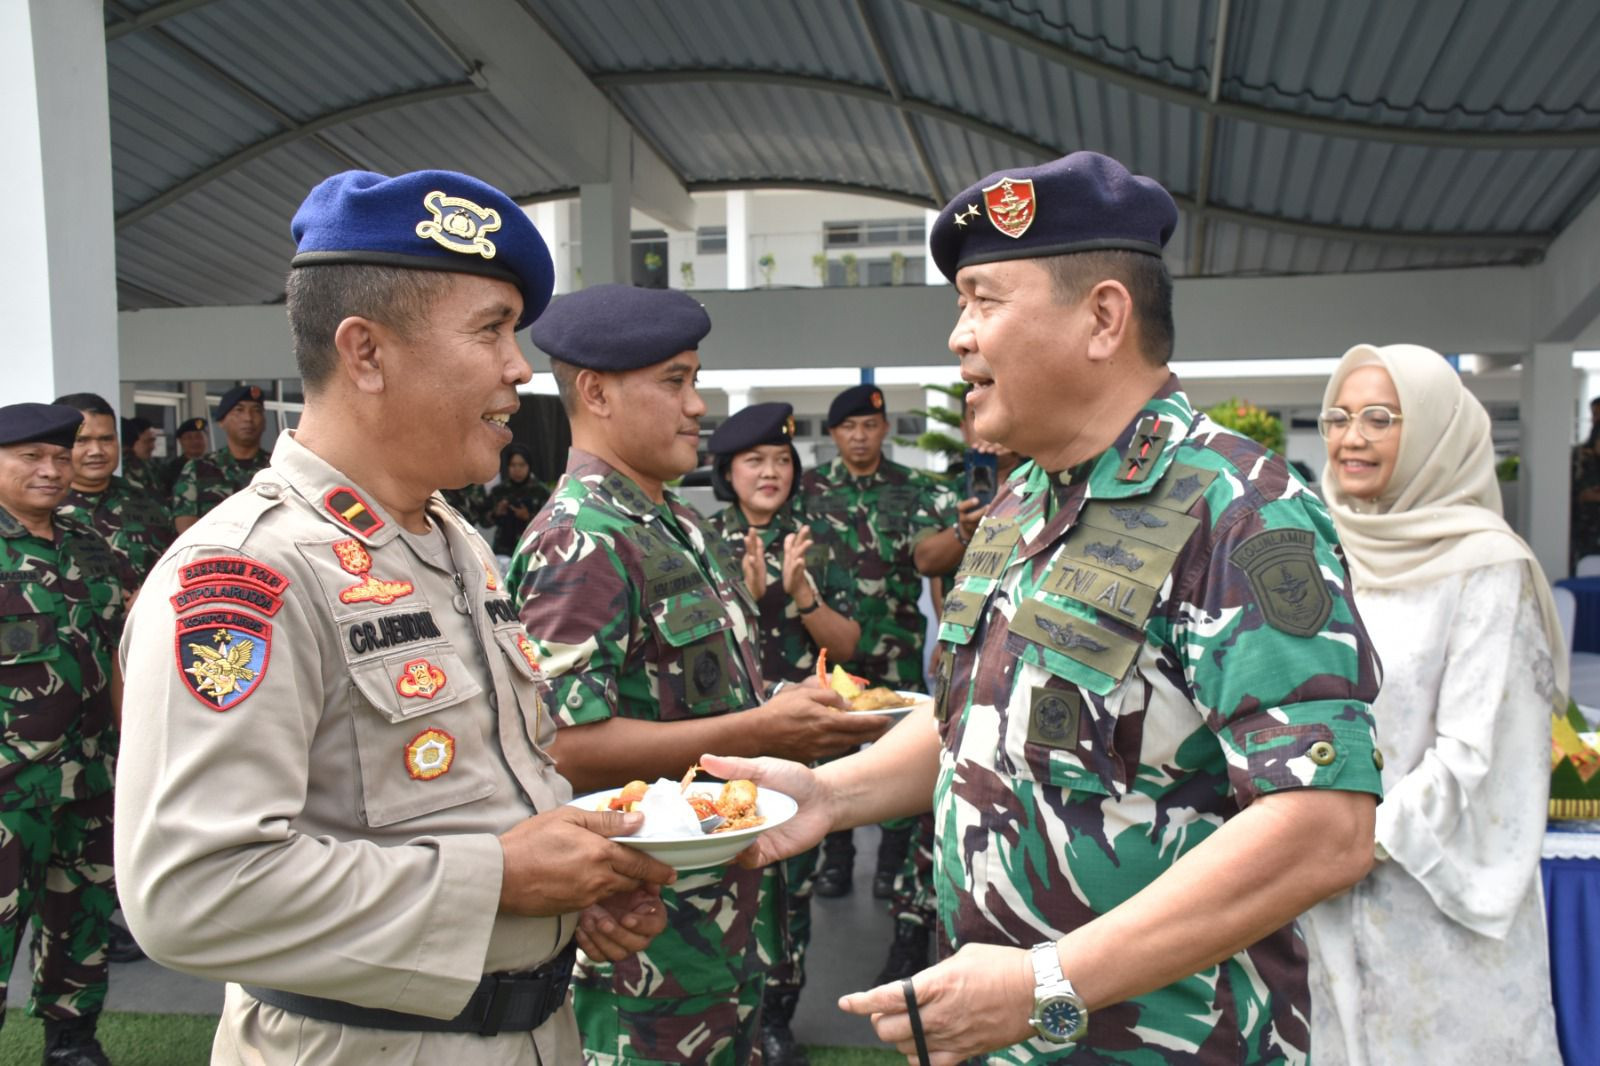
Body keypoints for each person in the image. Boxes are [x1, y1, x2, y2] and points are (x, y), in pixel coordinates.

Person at [702, 150, 1385, 1064]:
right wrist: (832, 794)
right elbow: (971, 725)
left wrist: (1045, 985)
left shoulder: (1241, 510)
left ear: (1104, 317)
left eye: (983, 299)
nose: (958, 336)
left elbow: (1323, 829)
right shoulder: (1025, 501)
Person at [115, 169, 676, 1066]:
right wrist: (500, 880)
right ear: (366, 352)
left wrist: (566, 893)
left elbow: (475, 797)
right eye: (491, 329)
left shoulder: (453, 542)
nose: (520, 368)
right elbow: (191, 893)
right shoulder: (248, 570)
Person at [508, 283, 889, 1065]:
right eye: (675, 381)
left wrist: (783, 705)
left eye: (696, 379)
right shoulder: (580, 537)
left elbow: (692, 692)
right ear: (596, 392)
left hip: (718, 906)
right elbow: (564, 747)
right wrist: (758, 729)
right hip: (644, 930)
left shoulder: (674, 522)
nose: (697, 405)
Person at [1301, 343, 1565, 1064]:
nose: (1351, 438)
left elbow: (1474, 753)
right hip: (1310, 893)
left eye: (1380, 419)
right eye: (1339, 417)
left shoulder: (1485, 566)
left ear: (1434, 430)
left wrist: (1348, 844)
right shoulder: (1313, 550)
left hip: (1433, 904)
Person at [706, 402, 861, 1066]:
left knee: (789, 883)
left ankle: (778, 1015)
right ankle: (723, 1006)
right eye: (754, 460)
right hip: (722, 738)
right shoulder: (700, 536)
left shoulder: (821, 532)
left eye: (781, 460)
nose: (771, 472)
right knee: (723, 878)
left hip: (795, 742)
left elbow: (850, 642)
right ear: (727, 471)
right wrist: (747, 596)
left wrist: (800, 597)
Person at [798, 384, 954, 984]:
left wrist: (944, 629)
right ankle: (837, 855)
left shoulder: (918, 490)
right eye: (848, 427)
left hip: (896, 645)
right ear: (834, 435)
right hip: (828, 650)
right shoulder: (809, 490)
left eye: (870, 424)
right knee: (830, 746)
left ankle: (892, 860)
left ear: (885, 428)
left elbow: (936, 563)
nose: (860, 435)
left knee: (896, 752)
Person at [0, 403, 130, 1066]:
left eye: (59, 456)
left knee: (80, 920)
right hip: (8, 792)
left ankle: (72, 1040)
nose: (51, 470)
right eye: (31, 458)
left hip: (88, 777)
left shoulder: (86, 540)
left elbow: (112, 645)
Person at [56, 394, 177, 595]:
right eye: (82, 441)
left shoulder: (148, 500)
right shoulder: (41, 507)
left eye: (106, 439)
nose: (96, 450)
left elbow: (176, 566)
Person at [170, 387, 270, 533]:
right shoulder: (198, 469)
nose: (248, 418)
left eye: (256, 410)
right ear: (222, 421)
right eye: (239, 410)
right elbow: (185, 526)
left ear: (264, 421)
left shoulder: (278, 467)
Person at [487, 443, 549, 558]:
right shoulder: (499, 491)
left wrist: (528, 517)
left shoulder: (541, 492)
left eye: (522, 465)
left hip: (532, 551)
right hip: (503, 552)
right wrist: (497, 513)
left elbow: (550, 524)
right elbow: (484, 523)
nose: (517, 469)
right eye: (513, 465)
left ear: (529, 466)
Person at [1571, 396, 1600, 569]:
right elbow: (1582, 494)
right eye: (1594, 414)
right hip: (1587, 530)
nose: (1596, 419)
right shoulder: (1581, 455)